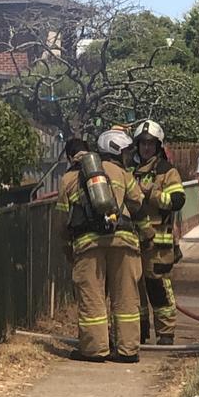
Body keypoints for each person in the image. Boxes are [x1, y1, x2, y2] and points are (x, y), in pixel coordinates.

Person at [55, 132, 154, 363]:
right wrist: (148, 236)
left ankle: (95, 349)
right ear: (118, 151)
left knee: (93, 297)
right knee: (126, 298)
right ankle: (128, 350)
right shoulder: (123, 174)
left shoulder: (68, 179)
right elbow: (138, 207)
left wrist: (67, 247)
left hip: (88, 245)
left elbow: (61, 221)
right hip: (124, 242)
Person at [132, 120, 185, 346]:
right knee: (135, 288)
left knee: (159, 289)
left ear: (158, 145)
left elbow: (177, 201)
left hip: (159, 246)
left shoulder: (167, 172)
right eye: (142, 143)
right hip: (135, 241)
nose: (146, 148)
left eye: (150, 143)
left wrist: (151, 192)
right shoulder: (131, 171)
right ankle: (139, 331)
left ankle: (166, 333)